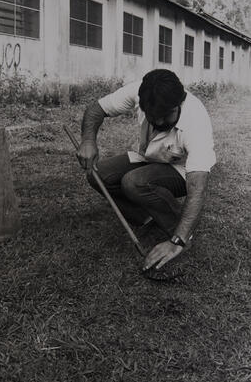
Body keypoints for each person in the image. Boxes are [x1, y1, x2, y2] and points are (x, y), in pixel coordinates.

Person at [76, 69, 216, 272]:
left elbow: (198, 190)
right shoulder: (141, 91)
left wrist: (178, 241)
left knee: (134, 182)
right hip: (149, 156)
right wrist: (88, 140)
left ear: (180, 103)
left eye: (165, 115)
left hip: (182, 169)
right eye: (153, 116)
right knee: (97, 175)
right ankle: (145, 215)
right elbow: (96, 109)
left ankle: (180, 232)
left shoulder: (196, 122)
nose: (159, 122)